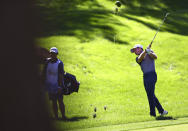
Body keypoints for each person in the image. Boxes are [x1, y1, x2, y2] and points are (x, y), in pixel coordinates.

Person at [130, 44, 168, 117]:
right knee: (151, 94)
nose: (134, 51)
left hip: (152, 75)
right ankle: (162, 111)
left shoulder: (149, 52)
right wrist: (145, 51)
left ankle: (152, 114)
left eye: (135, 49)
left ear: (140, 48)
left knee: (150, 95)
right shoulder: (137, 58)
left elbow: (155, 57)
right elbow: (140, 58)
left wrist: (149, 52)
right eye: (134, 51)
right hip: (145, 77)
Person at [42, 47, 66, 120]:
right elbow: (44, 73)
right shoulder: (47, 62)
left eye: (54, 53)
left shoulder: (59, 63)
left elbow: (61, 76)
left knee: (60, 101)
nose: (52, 55)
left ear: (57, 54)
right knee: (53, 101)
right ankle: (56, 117)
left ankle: (63, 116)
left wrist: (60, 86)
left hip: (57, 85)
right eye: (51, 53)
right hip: (50, 85)